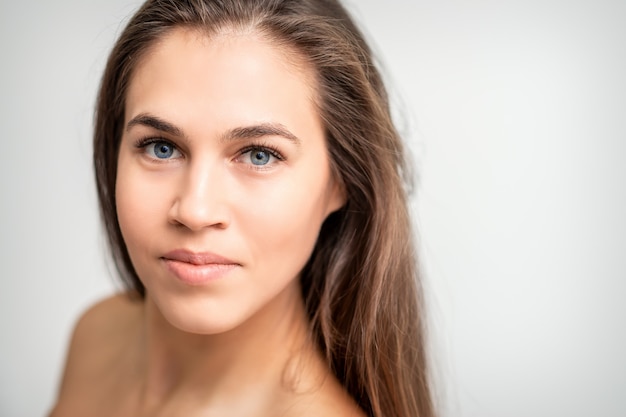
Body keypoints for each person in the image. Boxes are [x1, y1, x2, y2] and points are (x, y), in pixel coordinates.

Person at [50, 0, 436, 416]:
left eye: (258, 155)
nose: (195, 210)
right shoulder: (98, 334)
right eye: (161, 148)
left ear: (341, 181)